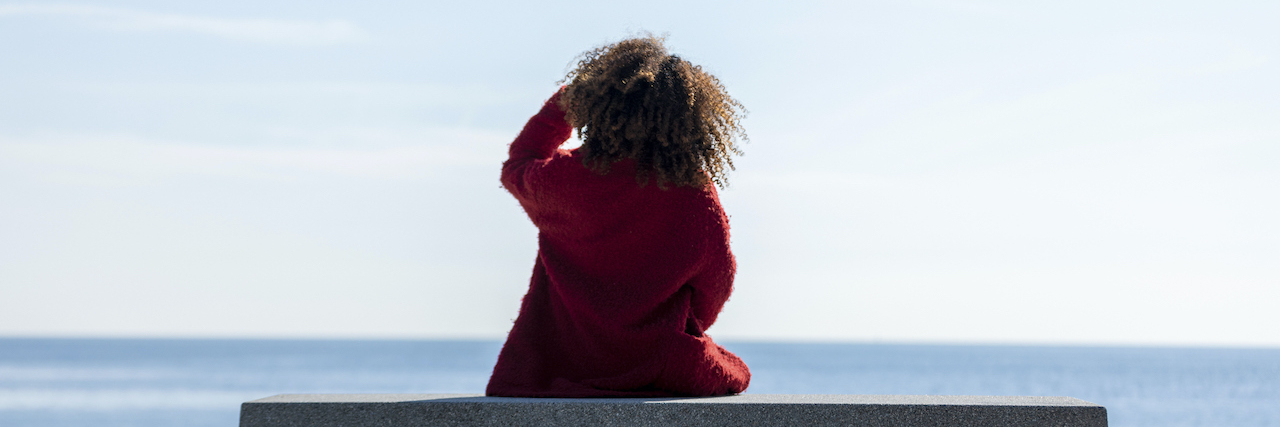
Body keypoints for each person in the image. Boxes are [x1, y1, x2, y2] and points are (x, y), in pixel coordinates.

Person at [485, 35, 750, 397]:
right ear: (686, 119)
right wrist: (676, 325)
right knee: (736, 372)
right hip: (659, 361)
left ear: (596, 107)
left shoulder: (565, 178)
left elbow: (519, 161)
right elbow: (716, 282)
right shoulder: (693, 191)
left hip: (558, 364)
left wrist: (565, 101)